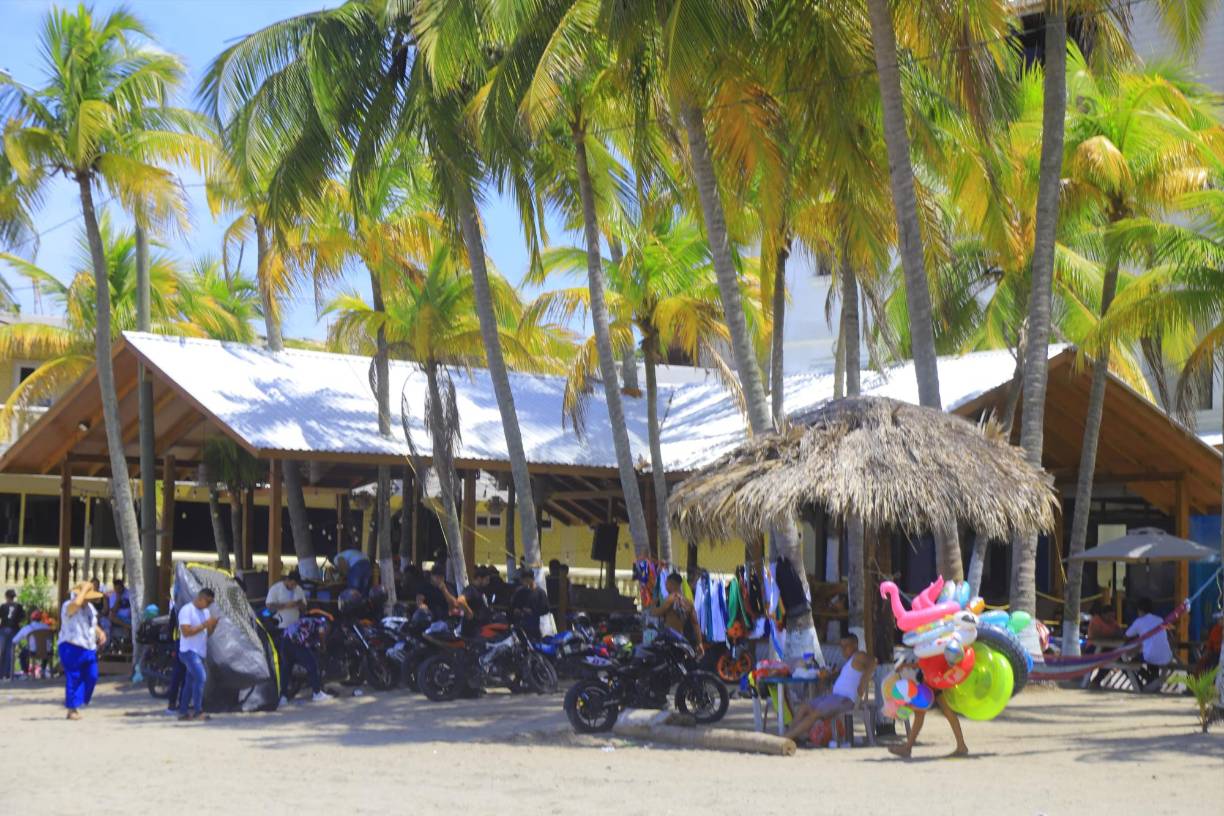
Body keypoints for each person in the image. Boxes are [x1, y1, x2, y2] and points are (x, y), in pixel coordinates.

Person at [784, 636, 875, 743]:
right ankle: (791, 735)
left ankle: (786, 738)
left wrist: (864, 682)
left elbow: (873, 661)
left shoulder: (859, 656)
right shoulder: (850, 661)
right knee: (804, 707)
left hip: (845, 699)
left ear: (855, 645)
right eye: (842, 647)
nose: (843, 649)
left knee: (814, 714)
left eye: (847, 646)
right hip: (835, 697)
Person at [267, 571, 330, 703]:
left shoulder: (298, 590)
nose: (294, 586)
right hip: (284, 630)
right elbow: (269, 606)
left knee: (287, 665)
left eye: (296, 584)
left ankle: (283, 696)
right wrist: (285, 606)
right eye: (292, 583)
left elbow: (304, 607)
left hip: (295, 629)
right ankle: (316, 692)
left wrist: (298, 604)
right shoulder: (276, 589)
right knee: (309, 663)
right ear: (287, 580)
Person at [59, 581, 107, 720]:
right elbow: (75, 607)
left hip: (88, 647)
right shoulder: (68, 605)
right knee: (74, 677)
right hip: (71, 645)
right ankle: (72, 708)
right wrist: (84, 589)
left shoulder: (90, 608)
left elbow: (92, 623)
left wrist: (100, 632)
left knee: (92, 675)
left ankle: (78, 701)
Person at [177, 588, 219, 721]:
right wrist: (205, 624)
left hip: (200, 652)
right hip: (188, 651)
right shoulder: (186, 610)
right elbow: (186, 632)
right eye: (208, 602)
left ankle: (183, 712)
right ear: (200, 598)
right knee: (201, 678)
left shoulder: (205, 612)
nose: (209, 605)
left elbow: (207, 633)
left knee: (190, 682)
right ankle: (198, 711)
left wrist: (213, 626)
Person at [1125, 597, 1173, 689]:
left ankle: (1145, 683)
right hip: (1166, 656)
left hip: (1151, 656)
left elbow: (1126, 636)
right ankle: (1153, 682)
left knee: (1132, 662)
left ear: (1139, 610)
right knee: (1150, 654)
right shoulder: (1160, 619)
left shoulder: (1139, 621)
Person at [647, 573, 703, 647]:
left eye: (666, 584)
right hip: (681, 639)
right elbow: (695, 624)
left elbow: (656, 613)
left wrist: (653, 604)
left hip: (669, 637)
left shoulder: (671, 598)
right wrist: (700, 643)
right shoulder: (688, 602)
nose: (666, 587)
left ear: (671, 584)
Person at [510, 569, 550, 640]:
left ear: (533, 579)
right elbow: (513, 606)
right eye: (524, 580)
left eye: (528, 580)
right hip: (520, 625)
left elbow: (546, 609)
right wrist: (516, 610)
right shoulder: (519, 592)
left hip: (535, 626)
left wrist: (533, 611)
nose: (525, 582)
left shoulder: (540, 592)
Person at [13, 609, 51, 678]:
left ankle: (25, 673)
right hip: (47, 652)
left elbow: (14, 640)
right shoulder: (47, 627)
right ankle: (43, 670)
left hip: (32, 652)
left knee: (22, 654)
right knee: (46, 649)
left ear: (31, 619)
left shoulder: (27, 628)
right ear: (40, 619)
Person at [1, 588, 25, 680]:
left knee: (2, 652)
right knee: (10, 652)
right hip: (14, 630)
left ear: (7, 597)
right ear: (13, 597)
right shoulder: (19, 606)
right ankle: (8, 674)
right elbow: (23, 617)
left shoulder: (3, 606)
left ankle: (1, 673)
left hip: (3, 630)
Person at [460, 567, 493, 636]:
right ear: (479, 578)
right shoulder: (471, 589)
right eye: (486, 580)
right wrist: (469, 612)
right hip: (472, 632)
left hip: (481, 630)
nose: (488, 582)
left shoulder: (481, 591)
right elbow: (461, 600)